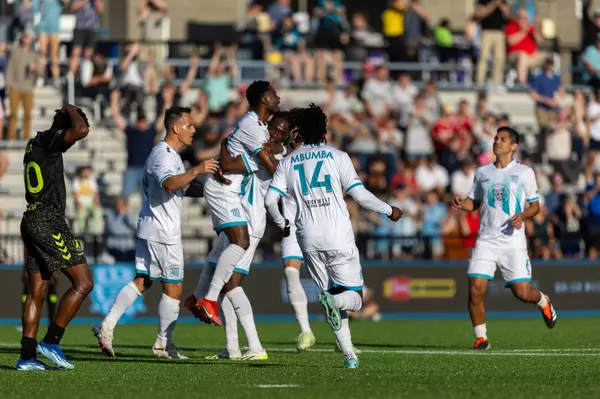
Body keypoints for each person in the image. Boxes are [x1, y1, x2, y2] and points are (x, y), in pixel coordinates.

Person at [264, 104, 403, 369]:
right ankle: (336, 305)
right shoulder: (337, 155)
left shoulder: (288, 162)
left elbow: (271, 200)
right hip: (338, 234)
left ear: (298, 132)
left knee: (329, 292)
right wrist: (389, 210)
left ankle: (349, 355)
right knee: (353, 298)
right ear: (322, 129)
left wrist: (282, 223)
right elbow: (359, 195)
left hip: (307, 237)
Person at [91, 107, 218, 359]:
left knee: (143, 281)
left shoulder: (170, 155)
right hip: (162, 230)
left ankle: (106, 326)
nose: (194, 130)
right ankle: (163, 344)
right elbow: (170, 183)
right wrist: (197, 170)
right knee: (174, 288)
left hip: (153, 225)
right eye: (189, 125)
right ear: (175, 127)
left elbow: (179, 188)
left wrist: (210, 188)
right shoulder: (163, 155)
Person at [451, 126, 558, 350]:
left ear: (514, 146)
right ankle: (482, 337)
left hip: (512, 241)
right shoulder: (482, 172)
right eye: (496, 138)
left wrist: (523, 215)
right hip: (486, 240)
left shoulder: (525, 172)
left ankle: (543, 301)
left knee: (523, 293)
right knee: (475, 289)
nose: (497, 142)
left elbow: (535, 206)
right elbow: (475, 202)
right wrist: (463, 205)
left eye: (502, 139)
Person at [194, 80, 280, 326]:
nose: (278, 97)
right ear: (264, 98)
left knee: (221, 251)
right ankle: (209, 300)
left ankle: (198, 297)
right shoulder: (254, 126)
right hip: (225, 189)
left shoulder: (257, 126)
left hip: (231, 189)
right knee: (240, 241)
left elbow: (227, 146)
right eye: (274, 94)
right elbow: (271, 167)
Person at [18, 104, 94, 371]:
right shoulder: (51, 140)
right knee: (84, 283)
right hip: (48, 220)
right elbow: (81, 129)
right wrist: (71, 108)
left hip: (30, 218)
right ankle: (51, 342)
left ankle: (26, 357)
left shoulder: (34, 143)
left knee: (37, 292)